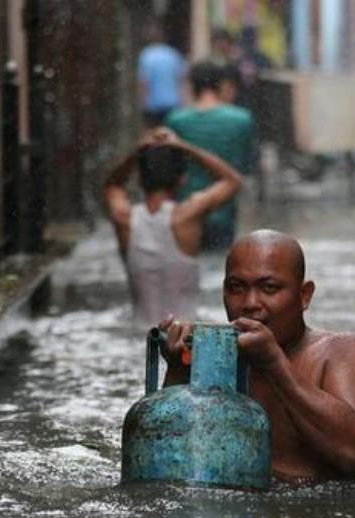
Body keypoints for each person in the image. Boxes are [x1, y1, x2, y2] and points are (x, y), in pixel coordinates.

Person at [159, 230, 355, 483]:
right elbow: (168, 458)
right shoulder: (215, 357)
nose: (250, 303)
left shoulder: (343, 353)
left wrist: (275, 363)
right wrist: (179, 369)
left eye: (269, 288)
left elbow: (352, 455)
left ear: (304, 296)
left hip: (320, 515)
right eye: (236, 288)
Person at [102, 128, 242, 326]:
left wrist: (138, 152)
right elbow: (232, 180)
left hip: (139, 335)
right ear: (182, 179)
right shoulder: (187, 216)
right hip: (185, 337)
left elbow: (112, 185)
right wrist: (184, 147)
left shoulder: (124, 219)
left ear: (140, 180)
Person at [166, 61, 255, 251]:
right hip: (224, 211)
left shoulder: (176, 120)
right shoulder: (242, 120)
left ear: (191, 86)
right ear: (221, 85)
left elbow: (170, 170)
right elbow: (247, 165)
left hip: (186, 213)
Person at [137, 23, 185, 127]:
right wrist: (183, 102)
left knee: (154, 137)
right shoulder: (173, 54)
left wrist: (142, 103)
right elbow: (181, 80)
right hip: (173, 104)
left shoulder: (146, 55)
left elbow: (144, 82)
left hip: (153, 106)